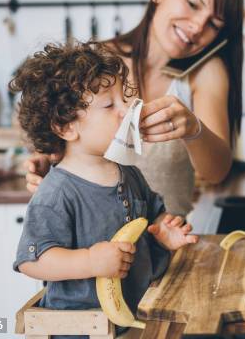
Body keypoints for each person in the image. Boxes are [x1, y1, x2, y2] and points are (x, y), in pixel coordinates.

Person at [25, 0, 244, 217]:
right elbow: (60, 134)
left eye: (214, 24)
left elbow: (216, 172)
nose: (198, 26)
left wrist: (193, 129)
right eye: (192, 4)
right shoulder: (96, 62)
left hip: (167, 243)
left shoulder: (206, 72)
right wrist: (45, 157)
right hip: (96, 242)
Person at [11, 42, 198, 338]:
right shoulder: (56, 192)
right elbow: (32, 261)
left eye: (124, 100)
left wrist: (163, 233)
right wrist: (90, 261)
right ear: (65, 127)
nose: (126, 111)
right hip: (80, 329)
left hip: (136, 318)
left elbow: (153, 216)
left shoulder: (130, 173)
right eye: (109, 105)